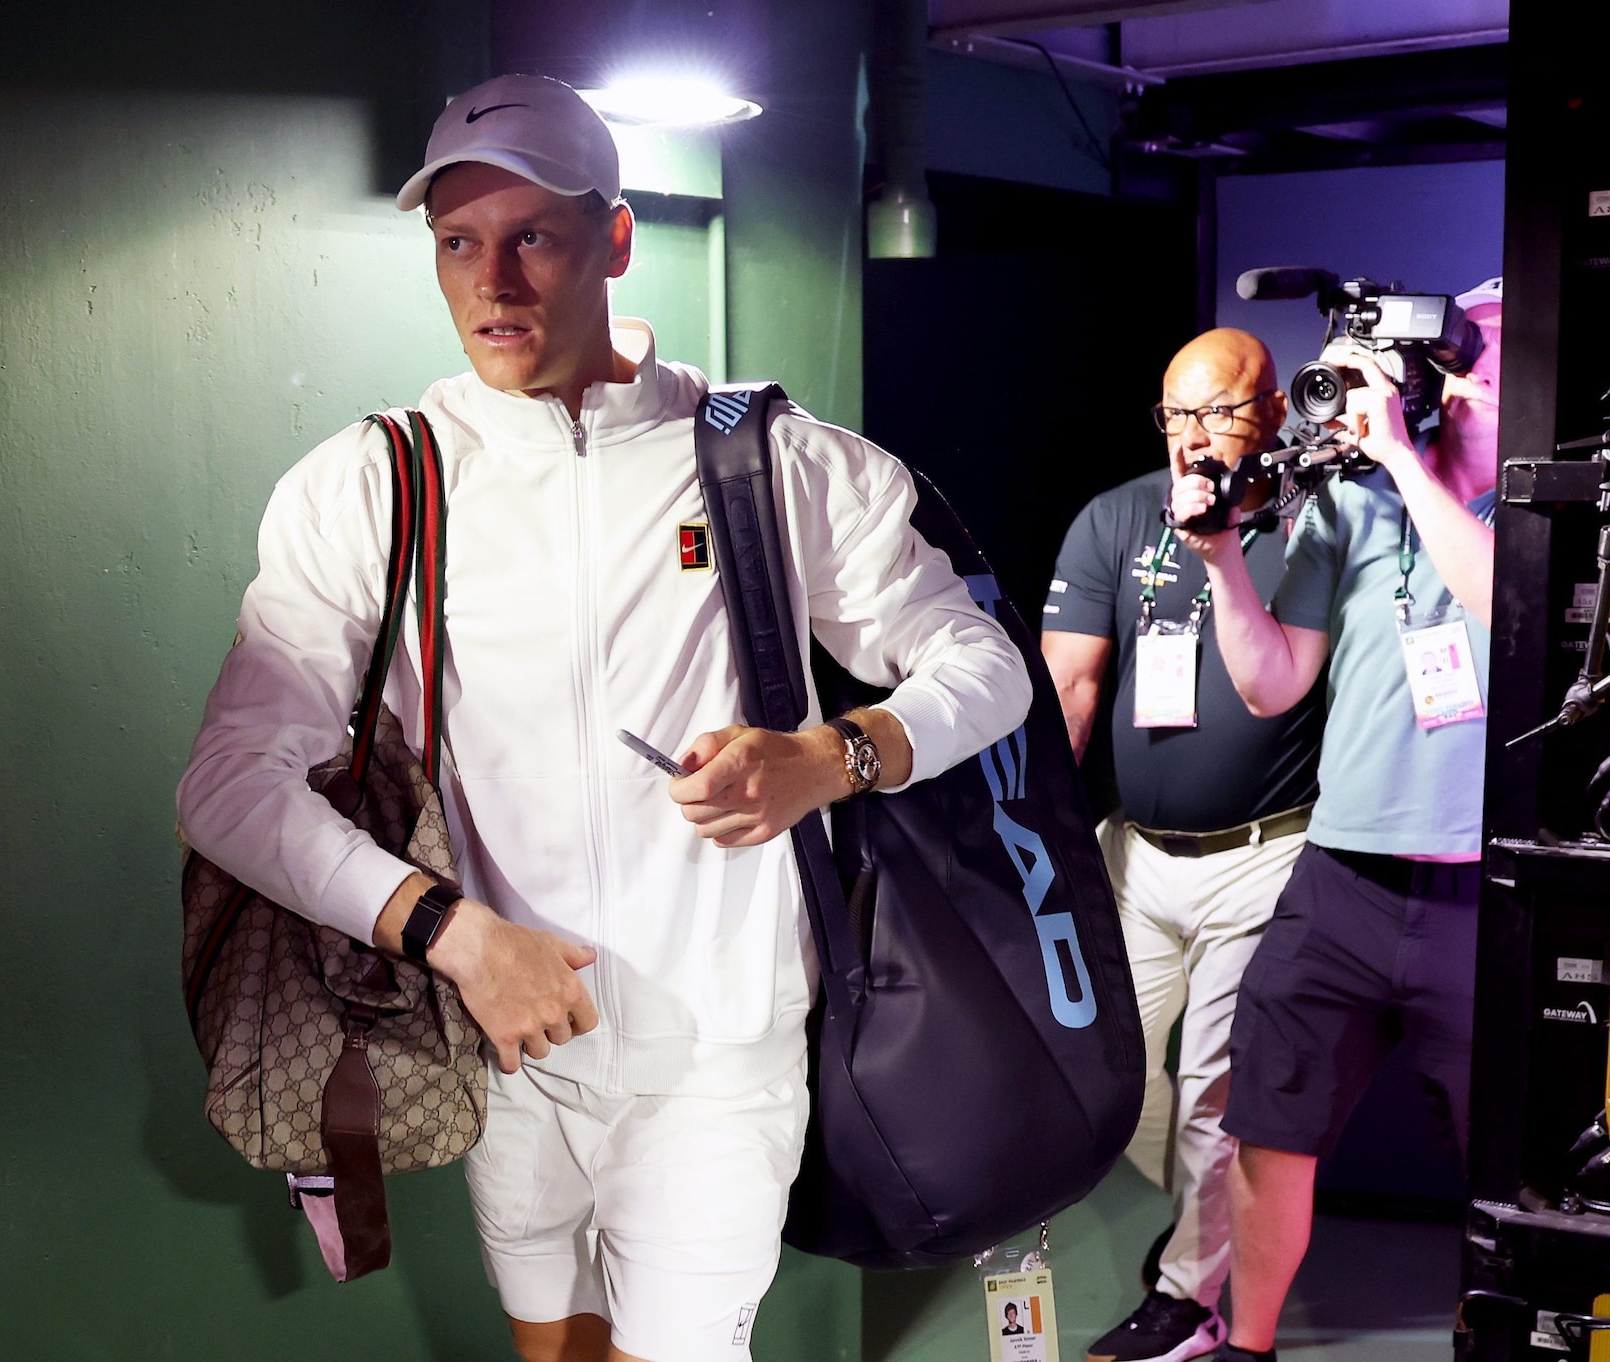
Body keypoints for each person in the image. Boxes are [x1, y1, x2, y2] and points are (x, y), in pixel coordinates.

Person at [175, 74, 1032, 1362]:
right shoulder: (378, 480)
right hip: (504, 1038)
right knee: (554, 1352)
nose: (492, 283)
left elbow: (984, 667)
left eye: (533, 237)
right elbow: (228, 787)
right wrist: (453, 937)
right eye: (458, 243)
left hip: (715, 1054)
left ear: (615, 241)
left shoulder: (768, 459)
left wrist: (834, 755)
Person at [1167, 281, 1503, 1362]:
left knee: (1505, 1158)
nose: (1452, 382)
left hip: (1482, 890)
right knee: (1269, 1130)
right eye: (1443, 363)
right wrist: (1220, 558)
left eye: (1473, 363)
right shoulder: (1346, 507)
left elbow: (1505, 602)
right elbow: (1271, 683)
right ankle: (1245, 1345)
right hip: (1342, 878)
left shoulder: (1547, 504)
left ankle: (1494, 1334)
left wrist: (1402, 457)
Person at [1041, 329, 1323, 1362]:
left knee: (1214, 1086)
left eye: (1220, 412)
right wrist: (1034, 839)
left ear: (1275, 413)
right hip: (1133, 857)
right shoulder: (1115, 519)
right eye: (1176, 413)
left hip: (1264, 856)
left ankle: (1184, 1296)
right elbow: (1067, 689)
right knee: (1110, 1073)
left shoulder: (1313, 525)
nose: (1193, 436)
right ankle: (1206, 1235)